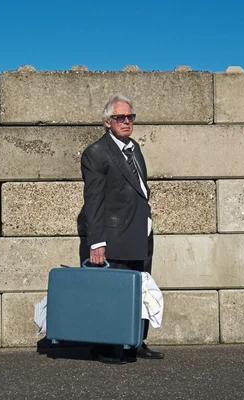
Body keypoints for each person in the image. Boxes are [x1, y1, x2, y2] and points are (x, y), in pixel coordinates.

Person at [80, 93, 164, 364]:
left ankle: (135, 342)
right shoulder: (96, 153)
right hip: (114, 235)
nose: (127, 122)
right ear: (107, 122)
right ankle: (105, 347)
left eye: (130, 117)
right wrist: (96, 242)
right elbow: (93, 201)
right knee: (113, 293)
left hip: (140, 232)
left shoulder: (134, 148)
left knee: (141, 289)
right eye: (120, 118)